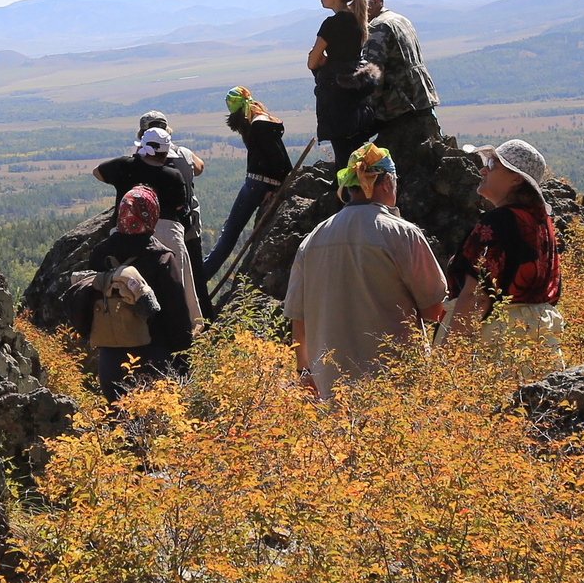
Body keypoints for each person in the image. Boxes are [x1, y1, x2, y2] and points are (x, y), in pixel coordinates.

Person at [283, 142, 447, 400]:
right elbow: (433, 311)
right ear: (386, 183)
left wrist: (304, 371)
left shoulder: (313, 239)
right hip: (394, 386)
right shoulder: (401, 234)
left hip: (332, 387)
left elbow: (298, 319)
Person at [71, 185, 193, 400]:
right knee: (156, 429)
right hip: (154, 359)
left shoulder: (100, 253)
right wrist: (184, 363)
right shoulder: (162, 259)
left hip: (110, 361)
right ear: (153, 215)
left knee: (119, 424)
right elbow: (177, 317)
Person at [443, 138, 562, 353]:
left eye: (491, 165)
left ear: (515, 179)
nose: (482, 170)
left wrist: (448, 354)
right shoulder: (542, 223)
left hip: (499, 341)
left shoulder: (498, 221)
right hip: (541, 340)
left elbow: (477, 296)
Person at [92, 126, 206, 320]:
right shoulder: (172, 175)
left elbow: (97, 172)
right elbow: (179, 207)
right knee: (178, 291)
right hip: (167, 233)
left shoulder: (124, 166)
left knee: (126, 288)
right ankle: (187, 333)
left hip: (125, 234)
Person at [206, 86, 291, 273]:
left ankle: (203, 273)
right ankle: (204, 270)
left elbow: (276, 159)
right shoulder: (265, 120)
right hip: (260, 183)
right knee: (229, 230)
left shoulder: (259, 125)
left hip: (256, 184)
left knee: (229, 233)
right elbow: (279, 158)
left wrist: (271, 185)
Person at [307, 0, 377, 167]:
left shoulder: (332, 24)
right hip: (358, 90)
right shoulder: (357, 19)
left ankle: (344, 194)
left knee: (343, 157)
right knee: (356, 152)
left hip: (337, 95)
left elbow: (313, 61)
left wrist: (324, 61)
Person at [360, 0, 438, 140]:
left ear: (376, 1)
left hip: (398, 103)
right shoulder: (401, 20)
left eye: (361, 5)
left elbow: (374, 74)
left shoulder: (378, 27)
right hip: (420, 95)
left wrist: (368, 108)